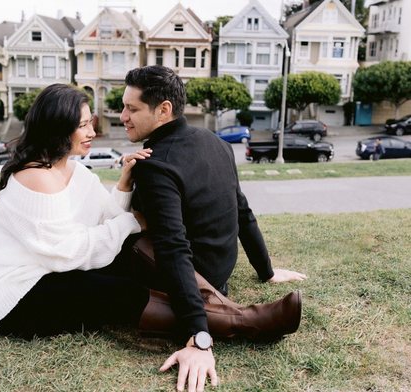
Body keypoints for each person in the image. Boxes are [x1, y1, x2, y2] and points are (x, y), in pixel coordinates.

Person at [120, 65, 308, 390]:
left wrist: (198, 336)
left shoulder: (156, 164)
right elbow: (243, 211)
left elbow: (173, 248)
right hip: (221, 273)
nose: (122, 115)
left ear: (164, 109)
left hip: (196, 280)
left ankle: (229, 317)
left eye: (132, 108)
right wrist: (265, 270)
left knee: (131, 245)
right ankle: (233, 311)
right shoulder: (217, 142)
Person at [0, 83, 153, 339]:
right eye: (82, 126)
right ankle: (215, 324)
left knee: (132, 264)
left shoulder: (78, 172)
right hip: (16, 294)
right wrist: (132, 222)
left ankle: (205, 302)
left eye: (90, 122)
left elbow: (107, 216)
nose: (92, 132)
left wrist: (124, 182)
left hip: (54, 271)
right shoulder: (36, 176)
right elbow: (66, 253)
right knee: (127, 294)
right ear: (56, 128)